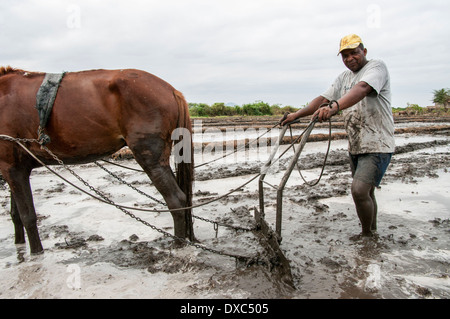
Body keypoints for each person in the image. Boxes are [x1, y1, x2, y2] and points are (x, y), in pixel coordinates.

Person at [281, 34, 395, 239]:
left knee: (359, 191)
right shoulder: (344, 78)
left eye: (354, 53)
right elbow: (323, 99)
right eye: (345, 55)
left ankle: (367, 236)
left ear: (364, 52)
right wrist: (295, 115)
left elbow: (362, 89)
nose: (350, 58)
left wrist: (334, 107)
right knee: (367, 193)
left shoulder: (376, 67)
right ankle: (373, 230)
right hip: (358, 143)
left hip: (378, 142)